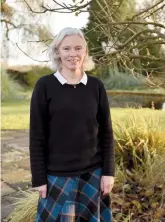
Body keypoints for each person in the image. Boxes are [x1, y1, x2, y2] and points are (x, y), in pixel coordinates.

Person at [29, 27, 115, 222]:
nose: (73, 54)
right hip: (56, 177)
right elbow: (36, 136)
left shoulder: (96, 86)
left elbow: (107, 133)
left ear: (85, 51)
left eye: (78, 48)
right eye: (66, 48)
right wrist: (39, 179)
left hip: (93, 174)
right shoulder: (44, 86)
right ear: (57, 52)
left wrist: (108, 172)